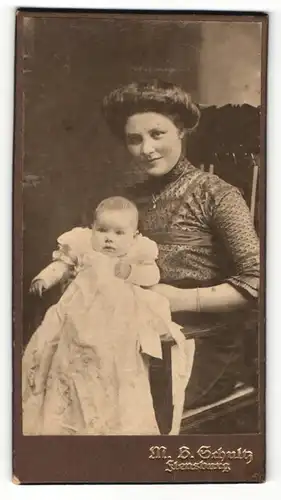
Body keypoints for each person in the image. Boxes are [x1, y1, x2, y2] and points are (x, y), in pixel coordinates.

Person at [102, 79, 260, 413]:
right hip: (136, 331)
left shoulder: (217, 195)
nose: (146, 149)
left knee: (122, 405)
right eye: (135, 139)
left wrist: (180, 299)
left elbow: (259, 280)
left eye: (157, 134)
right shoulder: (127, 200)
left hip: (202, 341)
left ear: (181, 130)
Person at [22, 196, 193, 435]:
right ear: (92, 229)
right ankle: (66, 412)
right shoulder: (83, 246)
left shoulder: (135, 253)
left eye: (119, 233)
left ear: (133, 236)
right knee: (65, 356)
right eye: (102, 230)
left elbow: (151, 276)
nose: (109, 238)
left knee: (114, 363)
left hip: (116, 319)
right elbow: (61, 265)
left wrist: (130, 271)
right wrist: (44, 278)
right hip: (77, 314)